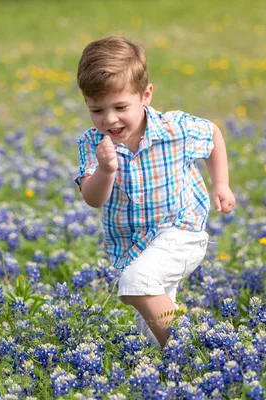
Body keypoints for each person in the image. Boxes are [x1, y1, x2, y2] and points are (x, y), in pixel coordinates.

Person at [74, 36, 236, 349]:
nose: (109, 119)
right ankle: (183, 353)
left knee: (135, 282)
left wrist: (221, 183)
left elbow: (213, 134)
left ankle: (192, 352)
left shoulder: (175, 128)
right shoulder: (92, 143)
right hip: (136, 244)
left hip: (180, 232)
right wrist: (106, 170)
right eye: (97, 110)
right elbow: (93, 199)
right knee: (151, 337)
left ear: (145, 95)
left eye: (120, 107)